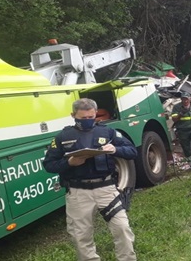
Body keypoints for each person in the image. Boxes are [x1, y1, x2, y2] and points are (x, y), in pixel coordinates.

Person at [42, 98, 137, 261]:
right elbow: (49, 165)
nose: (87, 121)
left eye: (91, 117)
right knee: (81, 236)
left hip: (106, 189)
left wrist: (115, 149)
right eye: (83, 118)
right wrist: (69, 162)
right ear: (73, 115)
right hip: (78, 193)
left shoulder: (107, 132)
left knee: (122, 228)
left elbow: (131, 151)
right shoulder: (63, 137)